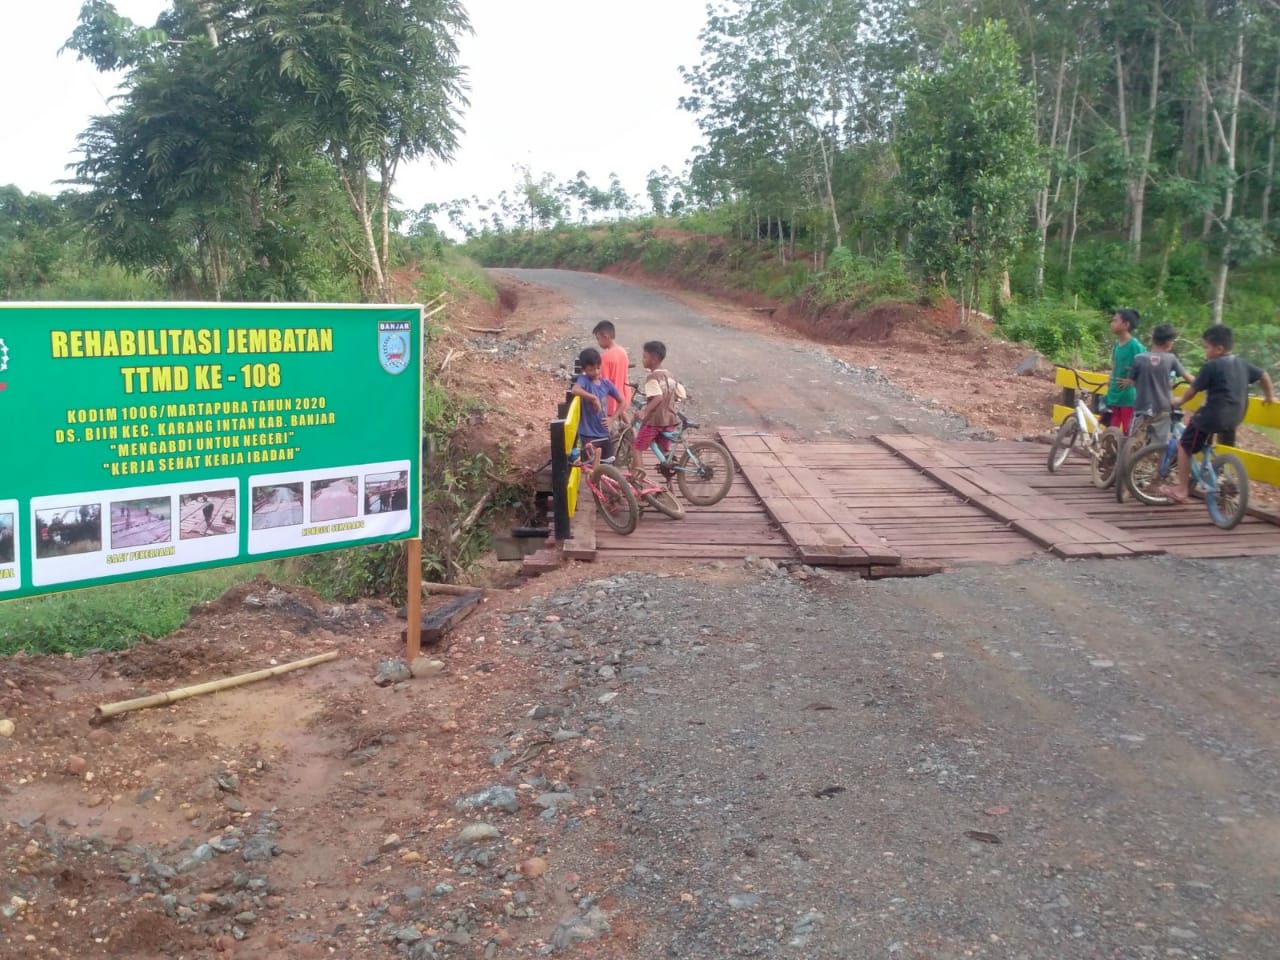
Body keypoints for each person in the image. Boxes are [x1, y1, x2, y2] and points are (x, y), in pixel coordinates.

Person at [1161, 324, 1275, 504]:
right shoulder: (1242, 363)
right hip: (1236, 416)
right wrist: (1270, 396)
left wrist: (1179, 401)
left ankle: (1182, 489)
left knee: (1184, 446)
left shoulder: (1211, 366)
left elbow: (1193, 390)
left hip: (1213, 416)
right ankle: (1220, 477)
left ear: (1219, 349)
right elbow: (1264, 375)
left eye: (1206, 347)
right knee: (1218, 444)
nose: (1205, 351)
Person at [1126, 323, 1190, 445]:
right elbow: (1188, 378)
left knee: (1133, 443)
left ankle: (1130, 462)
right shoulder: (1171, 358)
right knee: (1160, 446)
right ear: (1169, 343)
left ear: (1153, 339)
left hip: (1142, 407)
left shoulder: (1138, 358)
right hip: (1163, 408)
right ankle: (1158, 464)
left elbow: (1132, 382)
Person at [632, 340, 686, 473]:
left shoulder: (652, 377)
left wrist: (644, 411)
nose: (642, 359)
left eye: (645, 356)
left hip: (655, 421)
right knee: (664, 452)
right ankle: (670, 473)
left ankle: (639, 478)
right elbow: (681, 394)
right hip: (670, 420)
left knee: (637, 448)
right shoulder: (670, 375)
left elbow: (657, 397)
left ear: (654, 359)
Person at [571, 347, 625, 463]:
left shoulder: (606, 383)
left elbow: (622, 401)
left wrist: (612, 418)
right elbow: (575, 389)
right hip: (587, 433)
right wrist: (593, 398)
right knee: (591, 466)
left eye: (598, 368)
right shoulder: (584, 380)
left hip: (604, 432)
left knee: (609, 464)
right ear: (584, 369)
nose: (595, 372)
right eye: (591, 369)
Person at [1105, 308, 1146, 435]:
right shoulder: (1117, 344)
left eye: (1115, 321)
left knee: (1128, 431)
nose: (1112, 323)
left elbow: (1145, 366)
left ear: (1126, 325)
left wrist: (1132, 380)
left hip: (1128, 396)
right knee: (1111, 430)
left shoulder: (1135, 346)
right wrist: (1110, 377)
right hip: (1114, 393)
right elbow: (1115, 364)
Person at [592, 320, 632, 417]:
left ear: (606, 336)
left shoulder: (605, 357)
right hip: (624, 398)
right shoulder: (623, 352)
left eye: (598, 339)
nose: (598, 343)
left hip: (611, 403)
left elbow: (602, 383)